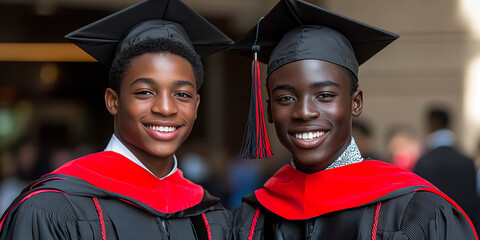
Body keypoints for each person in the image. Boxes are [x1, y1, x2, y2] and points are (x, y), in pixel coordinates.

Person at [230, 0, 478, 239]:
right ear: (269, 111)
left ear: (356, 103)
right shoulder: (250, 218)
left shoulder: (416, 212)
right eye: (285, 98)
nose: (304, 112)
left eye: (325, 95)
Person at [0, 0, 233, 239]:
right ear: (113, 101)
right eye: (145, 92)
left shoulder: (212, 217)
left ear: (196, 106)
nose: (165, 108)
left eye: (181, 94)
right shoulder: (51, 209)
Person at [414, 107, 480, 231]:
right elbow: (473, 203)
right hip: (463, 229)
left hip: (432, 230)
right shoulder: (467, 162)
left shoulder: (424, 162)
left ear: (432, 122)